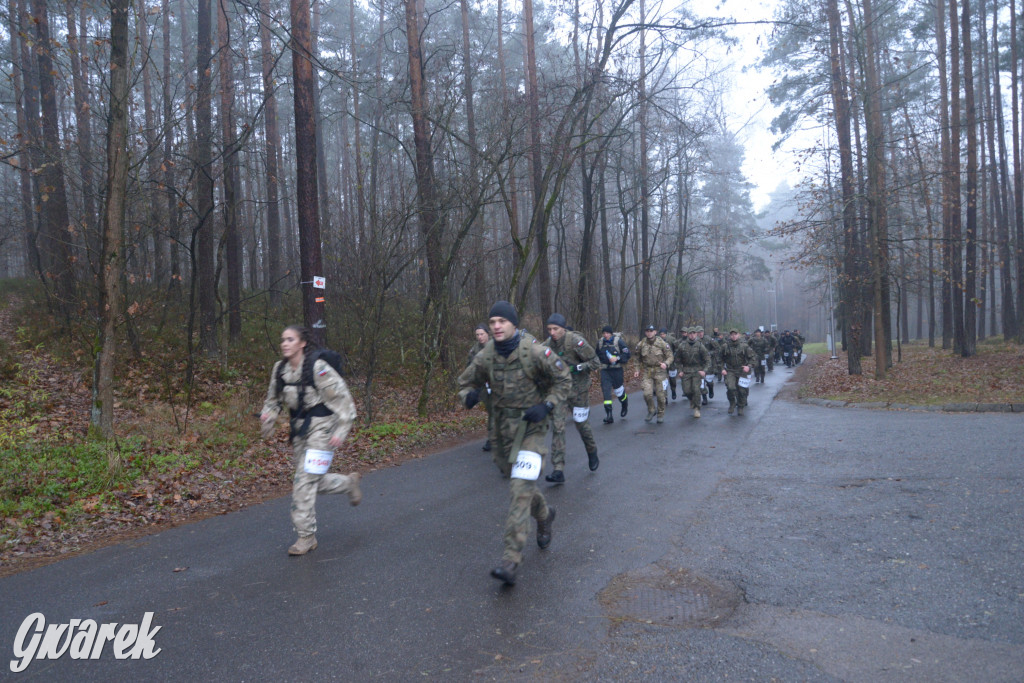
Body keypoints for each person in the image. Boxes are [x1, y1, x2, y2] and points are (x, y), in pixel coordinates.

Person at [458, 301, 570, 586]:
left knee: (519, 492)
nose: (495, 326)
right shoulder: (486, 356)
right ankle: (545, 514)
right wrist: (469, 396)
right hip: (501, 432)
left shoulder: (533, 351)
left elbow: (563, 379)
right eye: (492, 321)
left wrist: (546, 405)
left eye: (501, 321)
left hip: (531, 428)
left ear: (513, 325)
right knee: (519, 483)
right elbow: (465, 383)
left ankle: (511, 560)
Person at [261, 325, 362, 556]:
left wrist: (342, 429)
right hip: (299, 430)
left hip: (323, 429)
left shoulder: (318, 368)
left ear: (302, 343)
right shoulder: (280, 370)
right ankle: (349, 483)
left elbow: (343, 399)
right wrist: (269, 417)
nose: (285, 343)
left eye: (290, 339)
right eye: (283, 339)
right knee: (316, 481)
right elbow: (273, 400)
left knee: (304, 481)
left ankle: (306, 537)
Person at [542, 314, 601, 482]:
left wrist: (577, 368)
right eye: (549, 329)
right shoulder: (546, 346)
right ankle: (558, 469)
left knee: (581, 425)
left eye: (555, 329)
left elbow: (596, 361)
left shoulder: (575, 342)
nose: (552, 332)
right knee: (558, 427)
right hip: (559, 391)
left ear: (563, 328)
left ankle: (591, 450)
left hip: (579, 390)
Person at [634, 324, 672, 423]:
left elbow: (670, 356)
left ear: (655, 332)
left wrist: (666, 363)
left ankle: (660, 413)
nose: (649, 333)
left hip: (660, 371)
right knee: (647, 394)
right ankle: (651, 410)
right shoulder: (641, 344)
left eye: (651, 331)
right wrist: (637, 370)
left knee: (660, 396)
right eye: (647, 331)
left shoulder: (662, 343)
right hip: (647, 371)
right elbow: (637, 359)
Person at [596, 325, 630, 423]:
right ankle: (609, 415)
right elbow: (596, 355)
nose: (605, 335)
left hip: (617, 370)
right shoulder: (600, 343)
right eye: (604, 333)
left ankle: (624, 403)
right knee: (606, 392)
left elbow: (627, 354)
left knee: (619, 392)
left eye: (607, 333)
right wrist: (596, 365)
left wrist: (617, 358)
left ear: (611, 333)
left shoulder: (618, 342)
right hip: (605, 371)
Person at [674, 327, 710, 418]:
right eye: (690, 333)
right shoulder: (682, 346)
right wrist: (680, 370)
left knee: (696, 389)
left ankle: (697, 408)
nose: (692, 335)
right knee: (686, 391)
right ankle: (692, 401)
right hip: (686, 371)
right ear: (687, 334)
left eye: (694, 333)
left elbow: (707, 360)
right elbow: (677, 360)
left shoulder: (700, 345)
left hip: (697, 371)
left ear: (696, 334)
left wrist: (704, 371)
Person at [720, 327, 756, 415]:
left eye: (735, 334)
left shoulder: (744, 346)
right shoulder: (725, 346)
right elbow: (719, 359)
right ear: (730, 336)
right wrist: (722, 369)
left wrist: (749, 366)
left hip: (742, 370)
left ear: (738, 335)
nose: (733, 336)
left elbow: (753, 358)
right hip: (730, 370)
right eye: (732, 335)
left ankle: (740, 406)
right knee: (731, 388)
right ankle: (732, 403)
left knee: (742, 390)